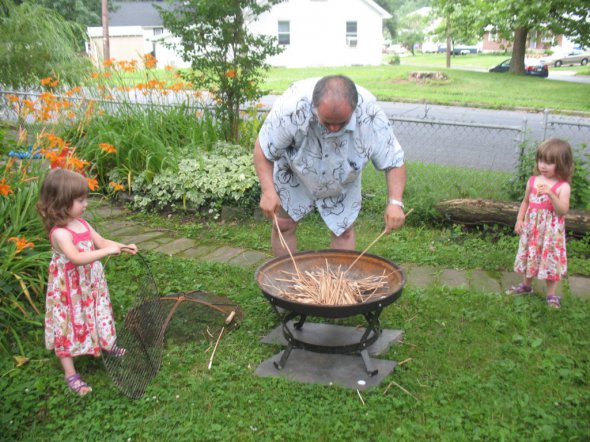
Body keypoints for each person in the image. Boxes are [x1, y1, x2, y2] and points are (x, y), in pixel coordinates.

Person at [253, 75, 406, 255]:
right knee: (283, 225)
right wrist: (268, 191)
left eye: (341, 123)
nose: (334, 129)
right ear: (314, 108)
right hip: (295, 167)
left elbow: (394, 160)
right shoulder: (292, 108)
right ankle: (286, 279)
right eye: (327, 123)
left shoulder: (369, 114)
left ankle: (338, 282)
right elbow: (263, 149)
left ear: (354, 109)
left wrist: (395, 202)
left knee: (344, 231)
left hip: (343, 171)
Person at [37, 168, 138, 396]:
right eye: (80, 200)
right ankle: (70, 372)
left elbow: (101, 241)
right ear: (61, 203)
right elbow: (76, 258)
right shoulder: (60, 233)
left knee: (96, 311)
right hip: (69, 291)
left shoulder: (82, 224)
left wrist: (121, 246)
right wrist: (107, 253)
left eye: (85, 199)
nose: (86, 204)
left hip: (89, 285)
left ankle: (105, 343)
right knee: (69, 322)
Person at [506, 138, 574, 309]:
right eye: (541, 160)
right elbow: (526, 202)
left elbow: (562, 210)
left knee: (550, 259)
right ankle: (526, 285)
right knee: (531, 254)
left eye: (550, 162)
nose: (543, 165)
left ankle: (551, 295)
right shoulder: (533, 181)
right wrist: (520, 220)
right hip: (532, 230)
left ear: (562, 164)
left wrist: (551, 194)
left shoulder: (562, 187)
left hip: (551, 233)